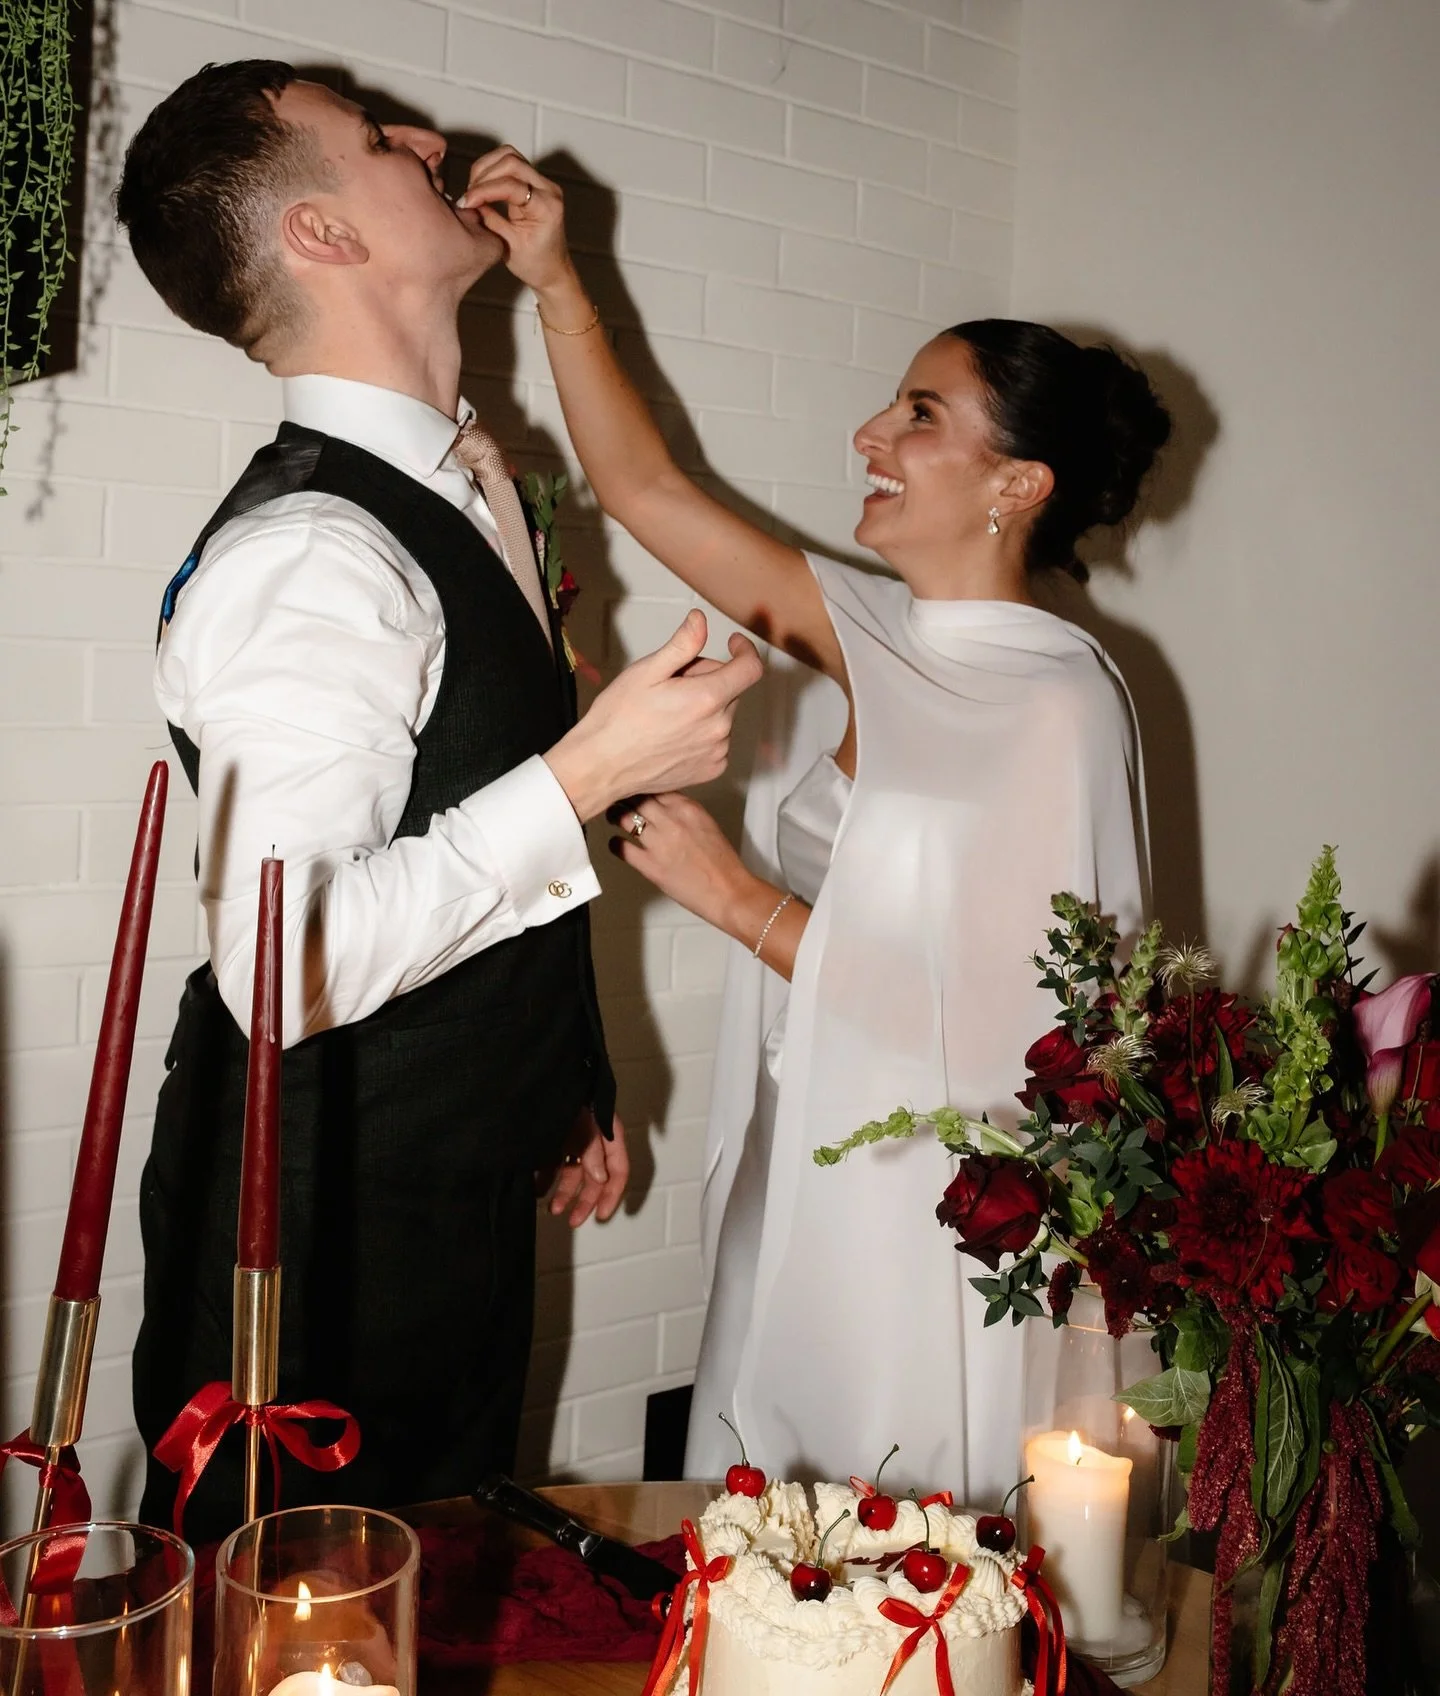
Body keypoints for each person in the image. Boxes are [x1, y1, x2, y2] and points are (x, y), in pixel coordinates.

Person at [453, 145, 1171, 1505]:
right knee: (759, 1512)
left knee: (883, 1525)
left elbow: (1011, 1031)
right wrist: (555, 281)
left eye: (920, 415)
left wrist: (735, 899)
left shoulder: (1058, 705)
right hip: (797, 1155)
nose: (870, 436)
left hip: (927, 1218)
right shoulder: (874, 632)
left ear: (1019, 483)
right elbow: (649, 494)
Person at [114, 62, 762, 1539]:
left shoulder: (464, 485)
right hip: (309, 1237)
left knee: (438, 1580)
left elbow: (462, 802)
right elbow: (280, 963)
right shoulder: (312, 554)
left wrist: (560, 1076)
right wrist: (598, 766)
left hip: (443, 1185)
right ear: (324, 234)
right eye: (376, 137)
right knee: (287, 1616)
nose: (428, 140)